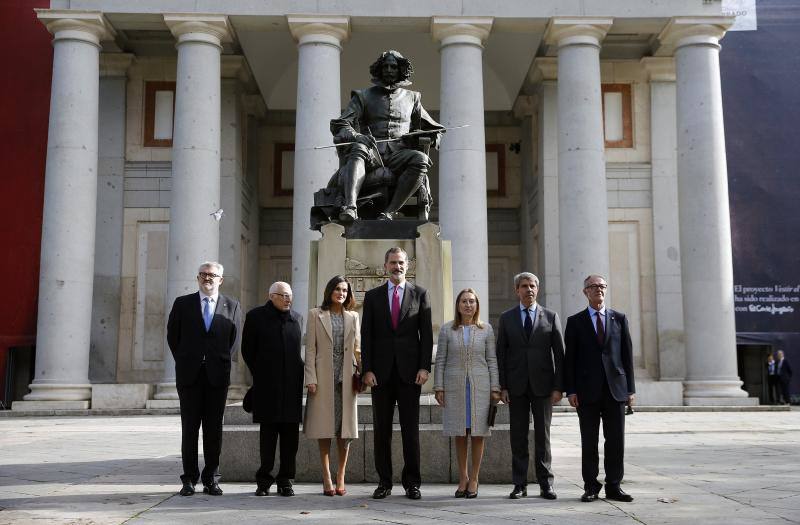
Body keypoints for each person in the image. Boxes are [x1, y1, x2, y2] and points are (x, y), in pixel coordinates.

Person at [330, 50, 444, 222]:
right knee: (359, 148)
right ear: (379, 70)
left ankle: (390, 212)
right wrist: (356, 136)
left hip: (399, 155)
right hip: (371, 152)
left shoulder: (413, 98)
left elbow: (435, 131)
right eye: (385, 66)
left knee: (420, 159)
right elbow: (341, 124)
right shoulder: (363, 96)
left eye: (393, 66)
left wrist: (420, 135)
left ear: (401, 70)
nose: (389, 70)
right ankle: (350, 208)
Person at [361, 246, 433, 499]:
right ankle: (384, 482)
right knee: (382, 431)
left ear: (408, 266)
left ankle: (412, 482)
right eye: (392, 263)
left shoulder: (420, 294)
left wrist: (425, 366)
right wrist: (366, 369)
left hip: (410, 374)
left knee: (410, 431)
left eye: (401, 262)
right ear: (385, 266)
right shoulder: (372, 297)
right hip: (380, 374)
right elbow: (366, 335)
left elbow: (426, 335)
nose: (397, 267)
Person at [167, 261, 242, 497]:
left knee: (213, 430)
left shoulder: (232, 305)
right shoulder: (183, 304)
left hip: (217, 378)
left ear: (221, 279)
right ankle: (189, 478)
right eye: (203, 274)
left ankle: (211, 478)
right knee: (189, 428)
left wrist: (217, 362)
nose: (207, 278)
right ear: (197, 278)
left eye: (212, 275)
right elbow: (173, 337)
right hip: (189, 377)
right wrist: (187, 359)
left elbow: (234, 341)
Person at [564, 275, 636, 503]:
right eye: (593, 287)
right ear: (585, 291)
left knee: (616, 441)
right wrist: (571, 390)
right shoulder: (575, 321)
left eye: (602, 286)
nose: (599, 290)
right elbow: (570, 360)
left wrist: (630, 390)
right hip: (587, 391)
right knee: (589, 441)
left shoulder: (619, 318)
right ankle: (591, 486)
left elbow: (627, 356)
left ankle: (614, 486)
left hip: (616, 390)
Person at [496, 272, 564, 501]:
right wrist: (503, 386)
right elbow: (501, 355)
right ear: (517, 290)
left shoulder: (551, 317)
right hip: (515, 387)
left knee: (543, 437)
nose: (529, 290)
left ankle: (546, 484)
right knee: (518, 436)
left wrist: (558, 387)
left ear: (538, 289)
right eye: (524, 286)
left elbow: (560, 356)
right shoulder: (507, 318)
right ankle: (519, 484)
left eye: (532, 286)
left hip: (543, 387)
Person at [434, 289, 501, 499]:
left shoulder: (486, 329)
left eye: (472, 301)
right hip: (454, 386)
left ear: (477, 305)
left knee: (478, 433)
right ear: (458, 305)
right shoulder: (447, 330)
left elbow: (492, 360)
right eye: (464, 301)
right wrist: (438, 387)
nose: (468, 305)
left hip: (480, 386)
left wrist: (495, 388)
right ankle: (462, 478)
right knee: (460, 432)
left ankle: (474, 478)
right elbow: (441, 360)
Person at [241, 282, 304, 497]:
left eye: (289, 296)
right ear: (271, 296)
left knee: (290, 438)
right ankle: (264, 481)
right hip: (267, 387)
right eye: (283, 295)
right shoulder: (256, 317)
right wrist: (261, 373)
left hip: (292, 389)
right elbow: (247, 350)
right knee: (268, 437)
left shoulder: (297, 318)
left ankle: (286, 480)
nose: (288, 299)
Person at [304, 276, 361, 496]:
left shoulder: (353, 316)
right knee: (324, 428)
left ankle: (341, 476)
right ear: (330, 291)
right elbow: (310, 349)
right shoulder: (315, 314)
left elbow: (357, 348)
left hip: (346, 378)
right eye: (337, 289)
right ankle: (327, 475)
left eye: (345, 290)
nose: (341, 293)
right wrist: (311, 378)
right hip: (323, 377)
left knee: (344, 431)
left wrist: (361, 372)